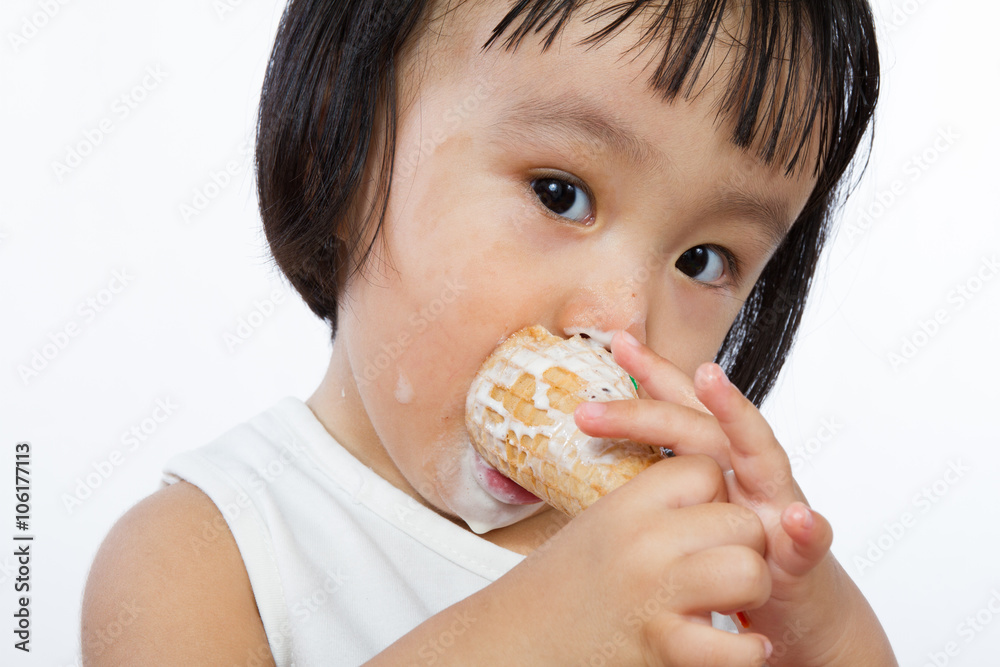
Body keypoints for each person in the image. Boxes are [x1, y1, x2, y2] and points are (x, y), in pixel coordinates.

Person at [82, 0, 898, 664]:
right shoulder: (201, 557)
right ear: (347, 141)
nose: (618, 319)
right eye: (558, 192)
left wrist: (818, 631)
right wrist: (538, 632)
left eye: (703, 257)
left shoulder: (689, 563)